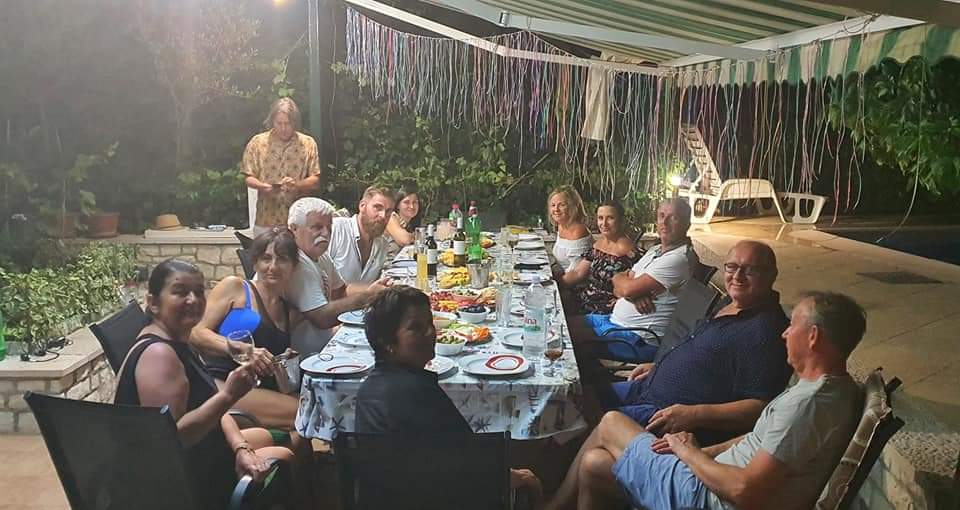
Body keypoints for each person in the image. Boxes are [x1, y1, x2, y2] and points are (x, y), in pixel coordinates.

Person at [548, 291, 865, 510]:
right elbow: (759, 440)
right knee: (594, 465)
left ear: (813, 336)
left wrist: (688, 455)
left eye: (793, 325)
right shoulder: (833, 390)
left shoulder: (808, 403)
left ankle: (549, 507)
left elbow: (744, 490)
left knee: (610, 422)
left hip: (704, 498)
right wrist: (701, 453)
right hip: (708, 479)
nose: (785, 333)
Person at [115, 259, 294, 510]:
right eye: (180, 292)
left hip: (202, 450)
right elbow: (171, 440)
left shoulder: (180, 340)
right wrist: (229, 396)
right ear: (153, 303)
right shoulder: (159, 356)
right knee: (286, 454)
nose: (193, 300)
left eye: (199, 292)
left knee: (263, 436)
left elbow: (210, 402)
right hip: (183, 486)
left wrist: (240, 448)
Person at [593, 240, 792, 445]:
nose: (737, 276)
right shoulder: (731, 302)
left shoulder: (766, 332)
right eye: (732, 267)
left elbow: (761, 407)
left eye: (750, 270)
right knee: (583, 398)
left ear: (771, 275)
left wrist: (695, 414)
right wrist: (658, 366)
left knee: (590, 419)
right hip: (646, 386)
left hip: (665, 416)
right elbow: (699, 348)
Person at [355, 285, 542, 499]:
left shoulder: (366, 391)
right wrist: (514, 477)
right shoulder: (418, 392)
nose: (430, 332)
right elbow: (469, 463)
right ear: (387, 342)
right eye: (416, 328)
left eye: (430, 323)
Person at [190, 227, 303, 432]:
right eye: (266, 258)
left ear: (293, 267)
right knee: (302, 413)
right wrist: (240, 348)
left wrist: (281, 360)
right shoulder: (235, 288)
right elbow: (196, 333)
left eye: (282, 259)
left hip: (254, 387)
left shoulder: (290, 312)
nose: (273, 266)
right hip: (219, 383)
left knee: (308, 411)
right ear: (255, 263)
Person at [568, 198, 695, 362]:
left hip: (637, 338)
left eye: (673, 217)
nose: (664, 222)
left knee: (568, 338)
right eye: (661, 216)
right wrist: (630, 291)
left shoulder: (678, 259)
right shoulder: (656, 250)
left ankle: (587, 377)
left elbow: (625, 288)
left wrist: (628, 288)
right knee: (564, 325)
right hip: (615, 322)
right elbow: (617, 282)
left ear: (686, 224)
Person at [285, 197, 389, 355]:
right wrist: (368, 297)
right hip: (304, 359)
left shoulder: (321, 256)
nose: (326, 233)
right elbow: (322, 317)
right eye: (317, 227)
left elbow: (341, 291)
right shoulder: (295, 261)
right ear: (294, 229)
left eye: (329, 227)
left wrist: (377, 290)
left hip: (326, 348)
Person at [242, 98, 321, 235]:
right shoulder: (258, 143)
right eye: (279, 123)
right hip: (266, 219)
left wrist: (297, 185)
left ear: (295, 122)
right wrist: (263, 187)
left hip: (297, 222)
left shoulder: (307, 144)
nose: (283, 128)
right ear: (272, 121)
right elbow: (248, 177)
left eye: (288, 124)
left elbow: (316, 180)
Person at [557, 201, 641, 315]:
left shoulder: (629, 251)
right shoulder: (599, 244)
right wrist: (555, 282)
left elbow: (641, 284)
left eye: (610, 218)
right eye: (600, 218)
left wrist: (623, 301)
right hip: (584, 299)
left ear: (620, 220)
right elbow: (578, 273)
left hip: (603, 308)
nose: (604, 223)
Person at [327, 185, 396, 284]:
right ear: (362, 206)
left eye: (388, 211)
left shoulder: (383, 245)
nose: (383, 216)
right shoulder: (336, 229)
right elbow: (318, 280)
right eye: (377, 208)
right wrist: (368, 290)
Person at [548, 186, 593, 274]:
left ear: (572, 207)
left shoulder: (578, 231)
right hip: (561, 276)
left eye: (562, 205)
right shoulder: (561, 226)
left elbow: (575, 273)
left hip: (573, 281)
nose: (556, 209)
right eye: (553, 205)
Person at [385, 182, 421, 249]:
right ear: (397, 205)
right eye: (406, 202)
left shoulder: (410, 224)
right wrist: (417, 236)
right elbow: (405, 240)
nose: (412, 206)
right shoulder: (391, 218)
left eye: (415, 202)